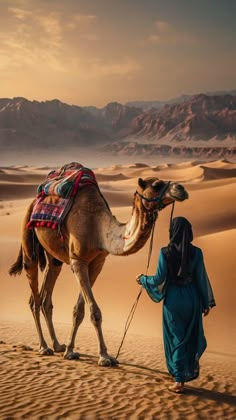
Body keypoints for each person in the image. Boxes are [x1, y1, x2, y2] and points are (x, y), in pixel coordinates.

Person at [136, 216, 216, 394]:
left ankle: (179, 379)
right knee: (186, 337)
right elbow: (201, 278)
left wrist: (142, 279)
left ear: (173, 232)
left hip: (173, 301)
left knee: (177, 339)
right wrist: (206, 302)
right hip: (192, 299)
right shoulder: (197, 253)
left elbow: (158, 279)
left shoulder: (165, 252)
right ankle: (181, 372)